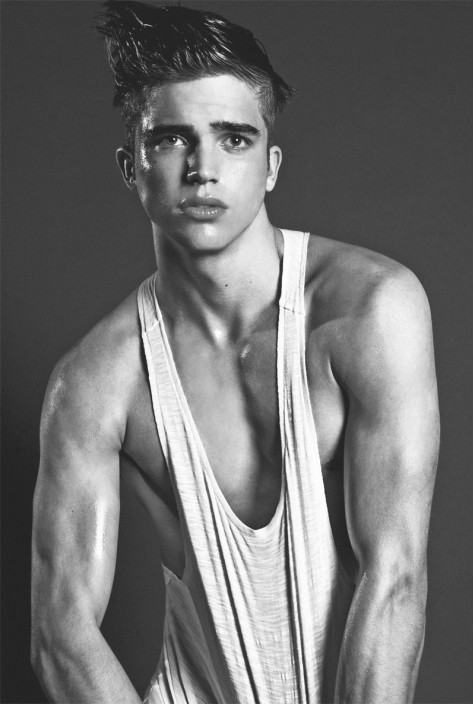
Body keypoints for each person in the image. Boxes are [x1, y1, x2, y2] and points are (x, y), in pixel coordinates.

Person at [30, 2, 440, 702]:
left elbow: (395, 575)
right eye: (171, 140)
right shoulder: (96, 382)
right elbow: (60, 633)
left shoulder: (368, 309)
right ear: (131, 168)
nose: (202, 169)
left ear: (271, 166)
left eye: (233, 139)